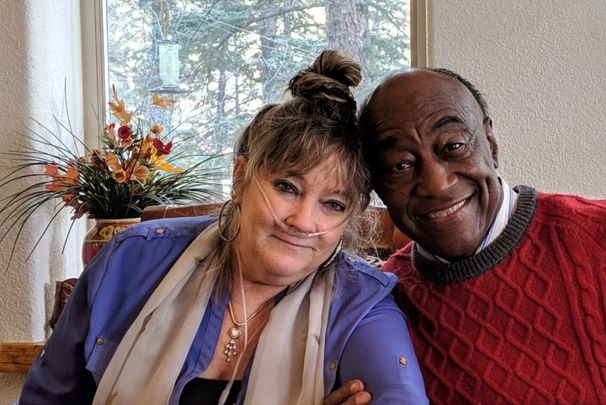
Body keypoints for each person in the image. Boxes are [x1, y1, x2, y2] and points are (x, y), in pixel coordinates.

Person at [19, 50, 428, 405]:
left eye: (333, 204)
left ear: (350, 218)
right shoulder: (130, 260)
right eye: (286, 187)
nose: (303, 221)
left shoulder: (362, 304)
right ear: (240, 179)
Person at [330, 67, 606, 404]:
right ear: (376, 185)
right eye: (400, 165)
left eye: (453, 146)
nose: (437, 184)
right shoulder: (381, 305)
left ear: (490, 142)